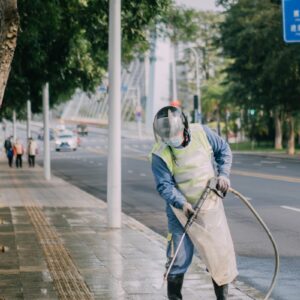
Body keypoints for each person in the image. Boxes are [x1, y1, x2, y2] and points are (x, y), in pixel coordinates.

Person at [150, 106, 238, 300]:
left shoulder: (202, 133)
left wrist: (223, 175)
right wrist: (182, 203)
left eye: (176, 135)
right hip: (180, 211)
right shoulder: (160, 153)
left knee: (218, 257)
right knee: (178, 257)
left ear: (185, 127)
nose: (173, 140)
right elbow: (165, 186)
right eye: (168, 137)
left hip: (209, 205)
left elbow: (223, 150)